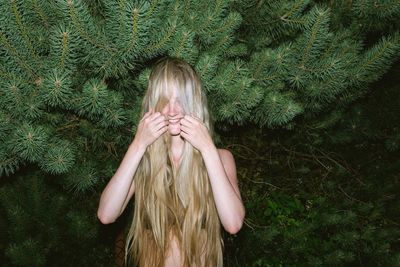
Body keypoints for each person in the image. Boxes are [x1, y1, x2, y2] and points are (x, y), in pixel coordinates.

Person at [97, 57, 245, 267]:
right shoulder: (143, 161)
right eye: (165, 100)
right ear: (154, 104)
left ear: (194, 103)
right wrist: (138, 145)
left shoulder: (219, 158)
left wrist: (207, 148)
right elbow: (106, 214)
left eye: (181, 100)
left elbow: (233, 223)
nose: (173, 110)